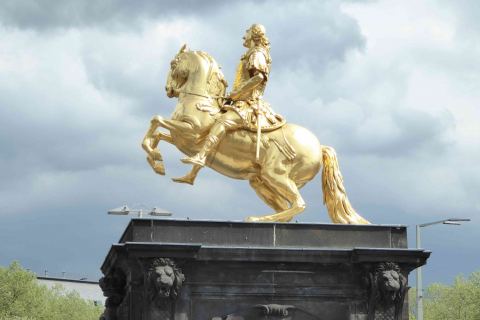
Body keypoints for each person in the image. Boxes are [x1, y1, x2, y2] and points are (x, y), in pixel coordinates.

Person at [182, 23, 283, 168]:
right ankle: (192, 173)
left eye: (247, 32)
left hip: (248, 103)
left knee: (222, 122)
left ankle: (201, 156)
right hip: (239, 101)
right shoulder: (251, 53)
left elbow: (259, 77)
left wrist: (238, 93)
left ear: (254, 35)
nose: (244, 35)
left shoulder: (257, 54)